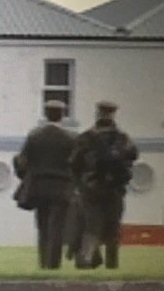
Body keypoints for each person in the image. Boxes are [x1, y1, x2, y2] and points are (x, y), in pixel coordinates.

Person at [70, 101, 138, 269]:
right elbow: (133, 156)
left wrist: (79, 185)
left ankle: (86, 259)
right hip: (115, 188)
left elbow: (74, 163)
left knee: (91, 225)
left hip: (91, 188)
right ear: (113, 116)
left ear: (97, 115)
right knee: (113, 226)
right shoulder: (123, 139)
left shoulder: (85, 138)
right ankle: (112, 264)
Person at [13, 99, 76, 268]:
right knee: (58, 227)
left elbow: (22, 162)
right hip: (62, 187)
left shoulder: (35, 136)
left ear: (46, 114)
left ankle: (43, 262)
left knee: (43, 226)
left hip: (39, 186)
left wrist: (25, 177)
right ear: (62, 116)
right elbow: (77, 164)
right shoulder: (71, 138)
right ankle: (53, 263)